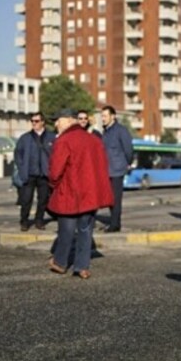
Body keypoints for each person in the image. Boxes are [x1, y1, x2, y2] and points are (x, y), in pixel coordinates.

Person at [47, 109, 113, 280]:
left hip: (69, 193)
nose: (55, 124)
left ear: (69, 120)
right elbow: (102, 166)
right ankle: (82, 267)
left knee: (66, 231)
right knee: (85, 231)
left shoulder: (64, 140)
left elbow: (55, 172)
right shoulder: (94, 140)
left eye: (58, 120)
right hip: (90, 194)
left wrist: (53, 185)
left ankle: (60, 263)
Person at [15, 112, 55, 231]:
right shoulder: (25, 138)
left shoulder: (51, 137)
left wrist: (51, 170)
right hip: (29, 174)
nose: (34, 123)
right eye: (32, 121)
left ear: (43, 122)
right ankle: (24, 221)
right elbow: (18, 155)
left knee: (43, 200)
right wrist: (22, 170)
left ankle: (39, 220)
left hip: (44, 174)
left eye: (36, 121)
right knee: (26, 199)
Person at [100, 105, 133, 233]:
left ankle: (115, 224)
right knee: (109, 198)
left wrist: (127, 163)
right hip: (106, 170)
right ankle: (113, 222)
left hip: (117, 169)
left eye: (105, 116)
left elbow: (128, 149)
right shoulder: (105, 132)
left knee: (115, 198)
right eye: (102, 116)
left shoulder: (121, 130)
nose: (102, 118)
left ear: (113, 116)